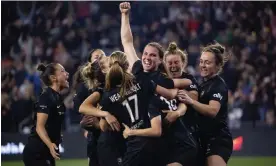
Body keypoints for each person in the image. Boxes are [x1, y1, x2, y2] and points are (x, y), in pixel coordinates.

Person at [79, 51, 184, 166]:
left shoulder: (107, 96)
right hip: (140, 141)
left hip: (132, 142)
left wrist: (103, 117)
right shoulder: (139, 79)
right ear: (126, 65)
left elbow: (103, 126)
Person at [178, 43, 233, 166]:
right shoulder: (202, 84)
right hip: (201, 139)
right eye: (201, 62)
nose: (203, 65)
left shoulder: (218, 85)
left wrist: (191, 101)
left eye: (207, 62)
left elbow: (213, 111)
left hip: (217, 138)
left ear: (218, 65)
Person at [161, 42, 200, 166]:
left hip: (186, 134)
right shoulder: (160, 80)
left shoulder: (189, 79)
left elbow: (192, 98)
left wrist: (170, 92)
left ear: (183, 63)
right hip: (165, 134)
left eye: (176, 62)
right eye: (170, 63)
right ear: (165, 64)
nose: (173, 66)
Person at [23, 63, 69, 166]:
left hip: (46, 152)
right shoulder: (46, 97)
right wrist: (50, 144)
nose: (67, 74)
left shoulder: (58, 98)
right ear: (53, 78)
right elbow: (40, 127)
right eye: (62, 71)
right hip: (36, 153)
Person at [73, 49, 106, 166]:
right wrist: (86, 125)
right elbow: (78, 107)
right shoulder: (84, 86)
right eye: (97, 57)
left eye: (102, 56)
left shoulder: (112, 79)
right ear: (90, 63)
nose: (100, 59)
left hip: (111, 131)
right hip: (95, 133)